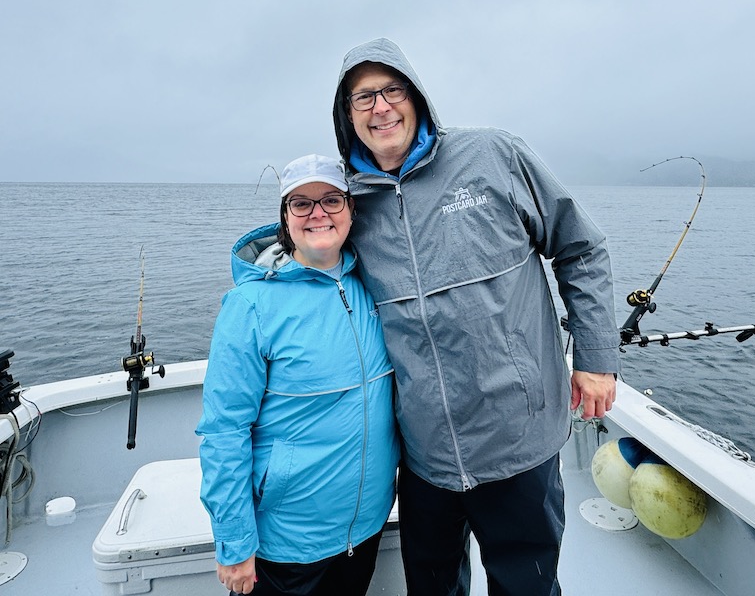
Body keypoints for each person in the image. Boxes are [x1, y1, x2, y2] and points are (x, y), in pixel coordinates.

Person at [332, 38, 620, 595]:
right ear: (346, 115)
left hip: (517, 435)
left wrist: (597, 357)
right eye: (363, 97)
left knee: (526, 585)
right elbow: (310, 266)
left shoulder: (492, 155)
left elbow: (580, 248)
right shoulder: (348, 205)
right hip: (423, 452)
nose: (381, 107)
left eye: (391, 90)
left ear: (415, 97)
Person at [196, 154, 400, 596]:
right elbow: (224, 431)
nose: (318, 214)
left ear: (350, 210)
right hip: (285, 545)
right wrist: (234, 544)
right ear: (285, 219)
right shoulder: (250, 305)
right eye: (301, 204)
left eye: (330, 199)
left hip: (365, 528)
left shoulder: (377, 284)